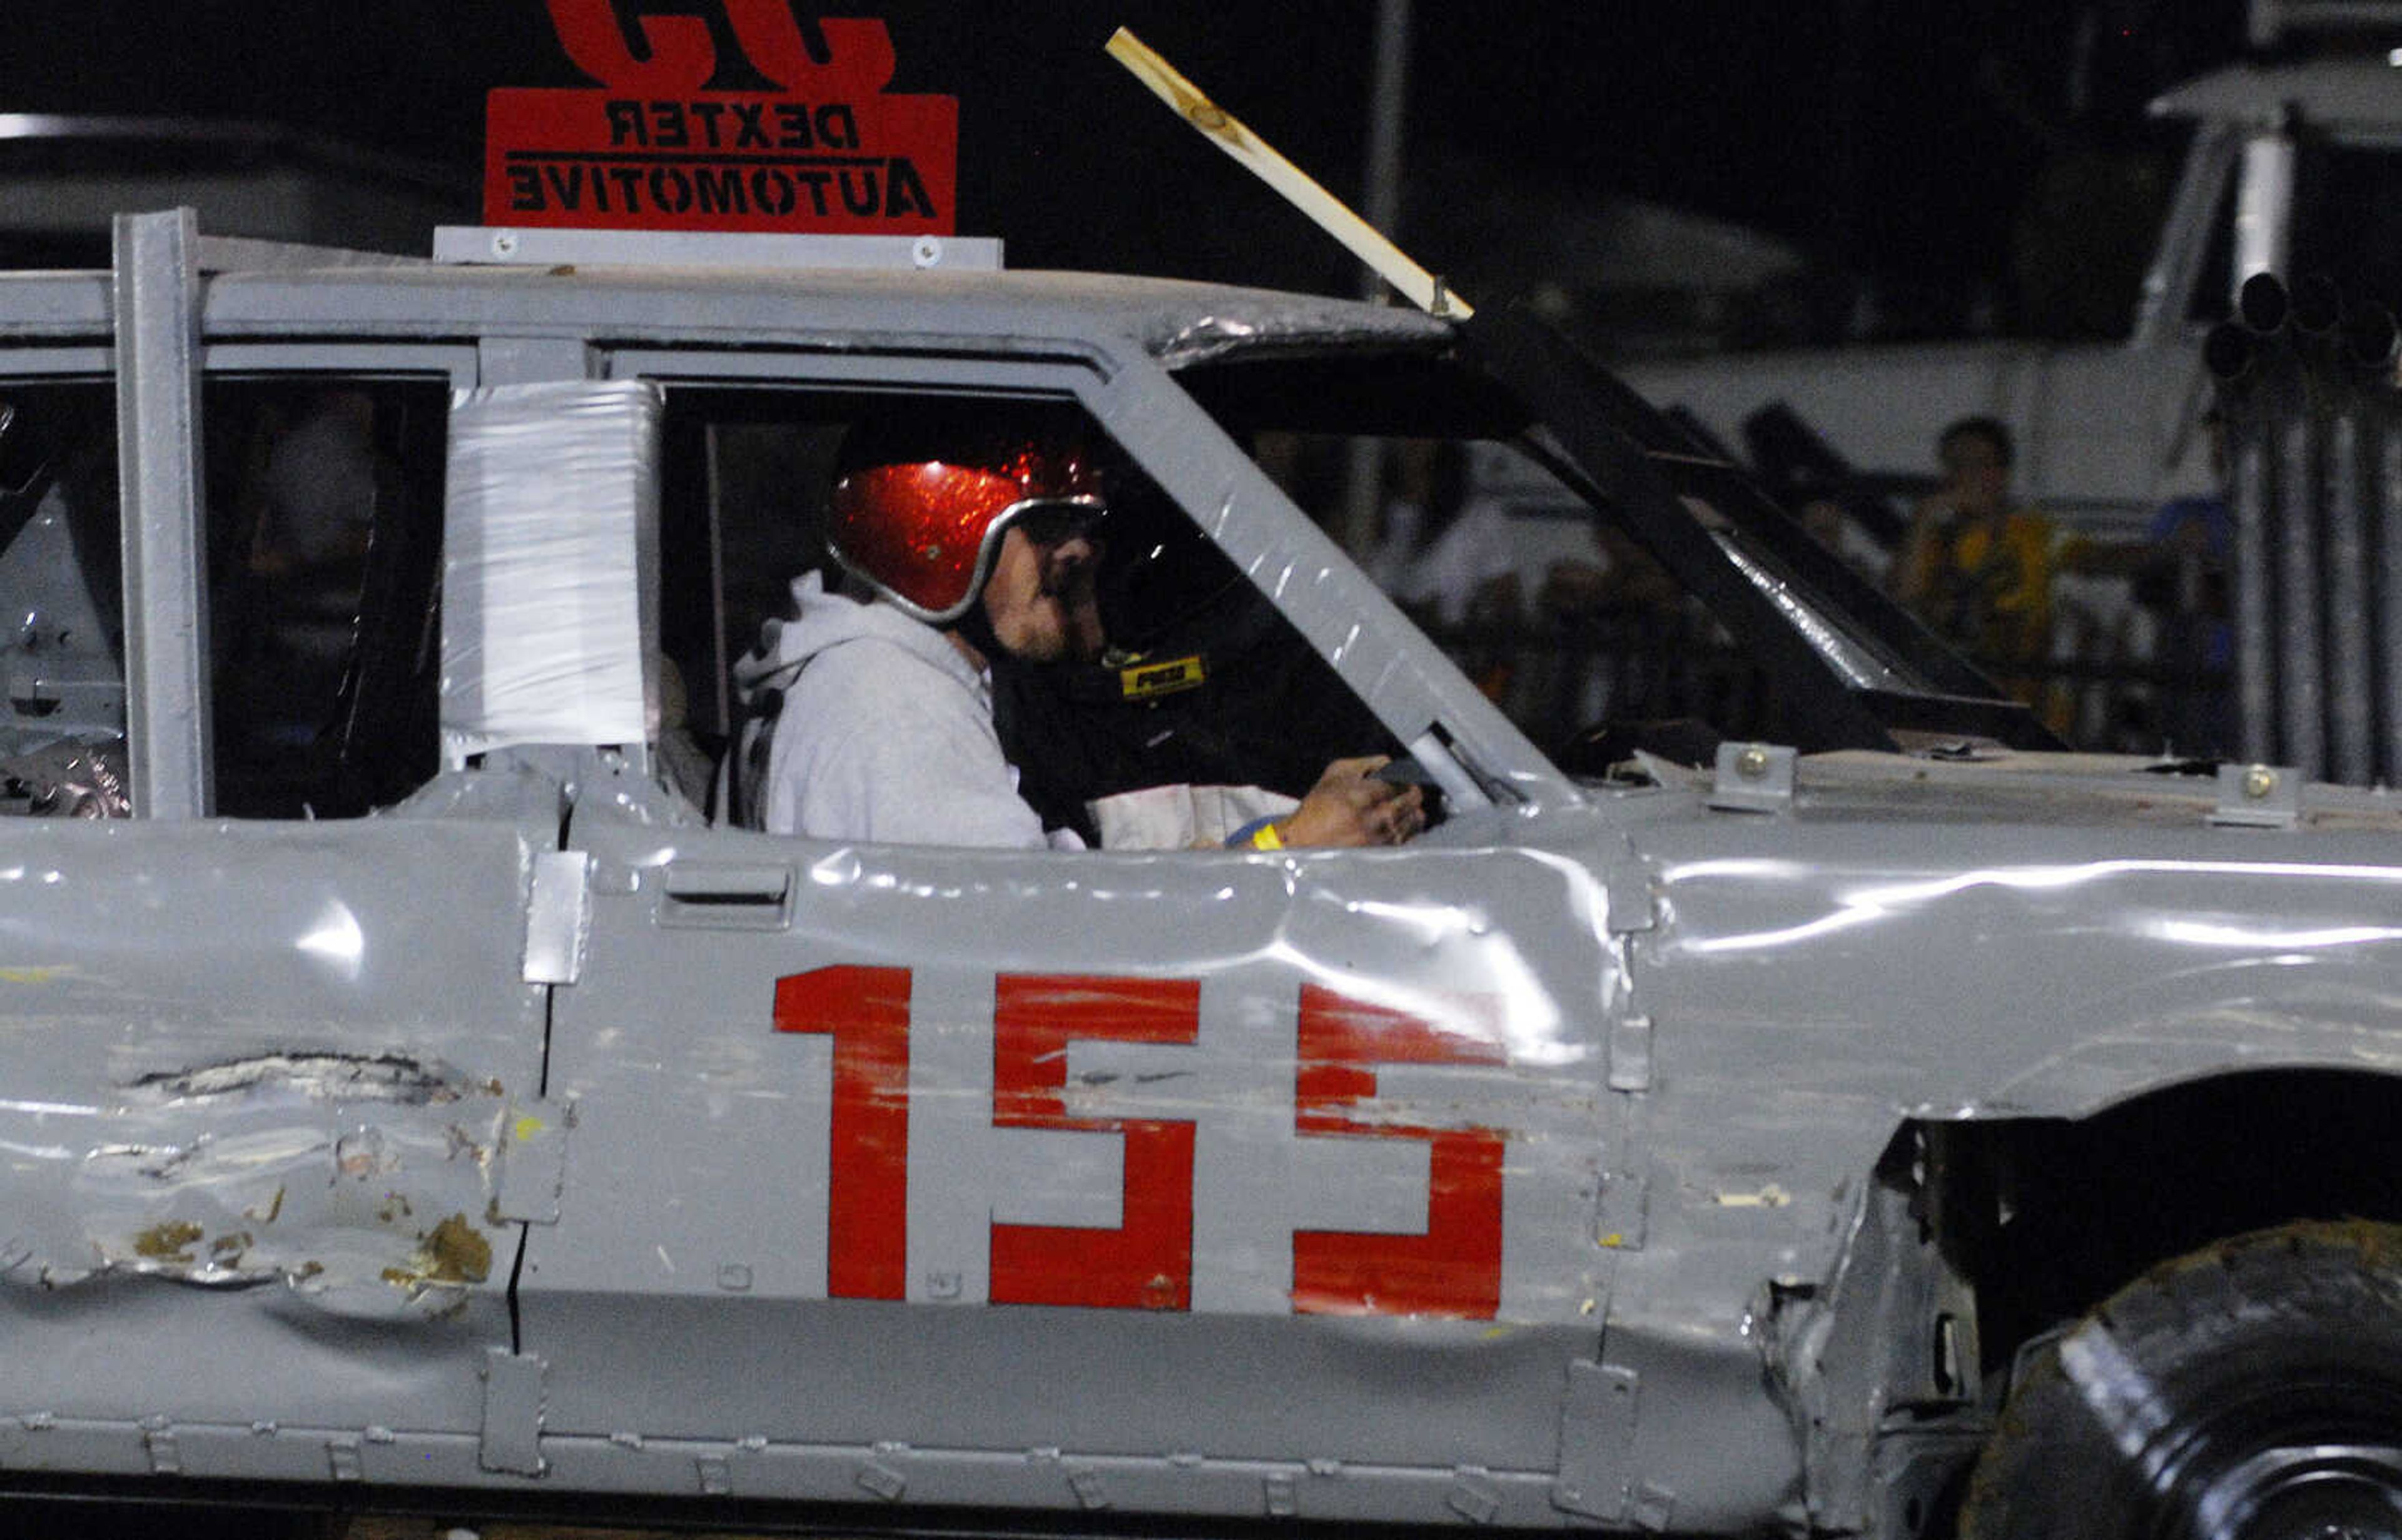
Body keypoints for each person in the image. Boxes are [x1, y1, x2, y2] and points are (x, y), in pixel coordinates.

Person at [732, 406, 1421, 851]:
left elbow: (1066, 898)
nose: (1080, 551)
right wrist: (1293, 848)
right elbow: (1058, 946)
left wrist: (1281, 838)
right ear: (936, 525)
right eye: (1044, 525)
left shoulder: (893, 685)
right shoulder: (889, 707)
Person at [1890, 415, 2080, 726]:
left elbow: (2095, 558)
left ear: (2001, 473)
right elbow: (1903, 595)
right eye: (1956, 466)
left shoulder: (2035, 535)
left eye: (1979, 465)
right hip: (1953, 702)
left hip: (2027, 706)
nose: (1966, 477)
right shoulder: (1934, 539)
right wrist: (1924, 519)